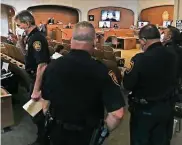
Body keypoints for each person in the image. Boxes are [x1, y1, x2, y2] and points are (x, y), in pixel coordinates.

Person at [41, 21, 125, 145]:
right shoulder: (103, 70)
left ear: (71, 40)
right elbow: (117, 114)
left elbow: (45, 104)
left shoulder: (52, 66)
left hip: (57, 132)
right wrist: (102, 133)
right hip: (87, 135)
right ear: (94, 42)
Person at [123, 24, 178, 145]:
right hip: (166, 107)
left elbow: (128, 84)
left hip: (144, 110)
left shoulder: (140, 59)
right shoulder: (173, 55)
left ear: (143, 41)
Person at [14, 10, 50, 145]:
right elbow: (29, 58)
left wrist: (36, 89)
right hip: (33, 77)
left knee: (37, 112)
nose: (19, 28)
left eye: (19, 25)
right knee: (34, 111)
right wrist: (21, 44)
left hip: (38, 79)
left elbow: (42, 65)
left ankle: (44, 139)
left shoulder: (37, 39)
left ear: (27, 23)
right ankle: (43, 136)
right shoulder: (30, 37)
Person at [161, 25, 182, 145]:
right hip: (174, 90)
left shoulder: (163, 51)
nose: (162, 35)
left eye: (164, 33)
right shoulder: (180, 50)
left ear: (169, 37)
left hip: (161, 92)